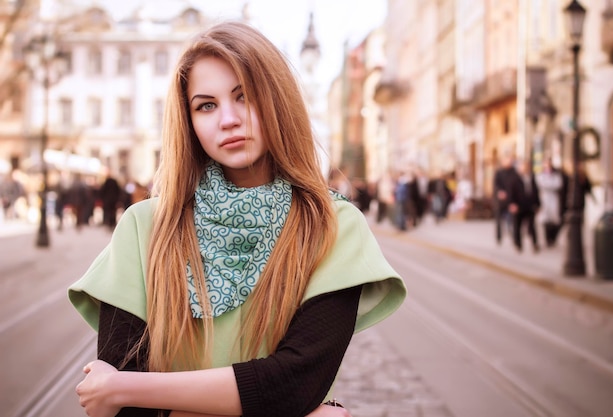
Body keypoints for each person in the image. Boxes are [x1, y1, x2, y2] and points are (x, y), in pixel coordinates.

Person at [68, 21, 406, 417]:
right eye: (206, 105)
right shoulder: (145, 227)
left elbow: (296, 383)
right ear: (189, 121)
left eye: (244, 97)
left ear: (277, 100)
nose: (227, 119)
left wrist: (130, 388)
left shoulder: (333, 225)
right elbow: (128, 412)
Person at [509, 160, 541, 253]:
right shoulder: (515, 179)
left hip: (530, 206)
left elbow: (536, 192)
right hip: (519, 206)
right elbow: (511, 193)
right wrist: (512, 204)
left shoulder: (532, 178)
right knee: (517, 226)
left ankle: (535, 244)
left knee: (532, 226)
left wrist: (538, 204)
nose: (525, 169)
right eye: (523, 167)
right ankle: (518, 244)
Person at [535, 157, 563, 247]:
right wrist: (550, 185)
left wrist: (549, 185)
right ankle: (548, 239)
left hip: (553, 198)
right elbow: (541, 184)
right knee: (545, 220)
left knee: (555, 220)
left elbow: (558, 184)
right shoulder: (540, 175)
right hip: (544, 198)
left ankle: (553, 237)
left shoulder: (556, 174)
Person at [493, 153, 517, 245]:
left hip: (510, 200)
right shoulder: (499, 172)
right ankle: (499, 237)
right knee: (499, 220)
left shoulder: (514, 172)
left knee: (512, 220)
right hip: (500, 201)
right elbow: (496, 185)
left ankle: (513, 237)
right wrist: (500, 192)